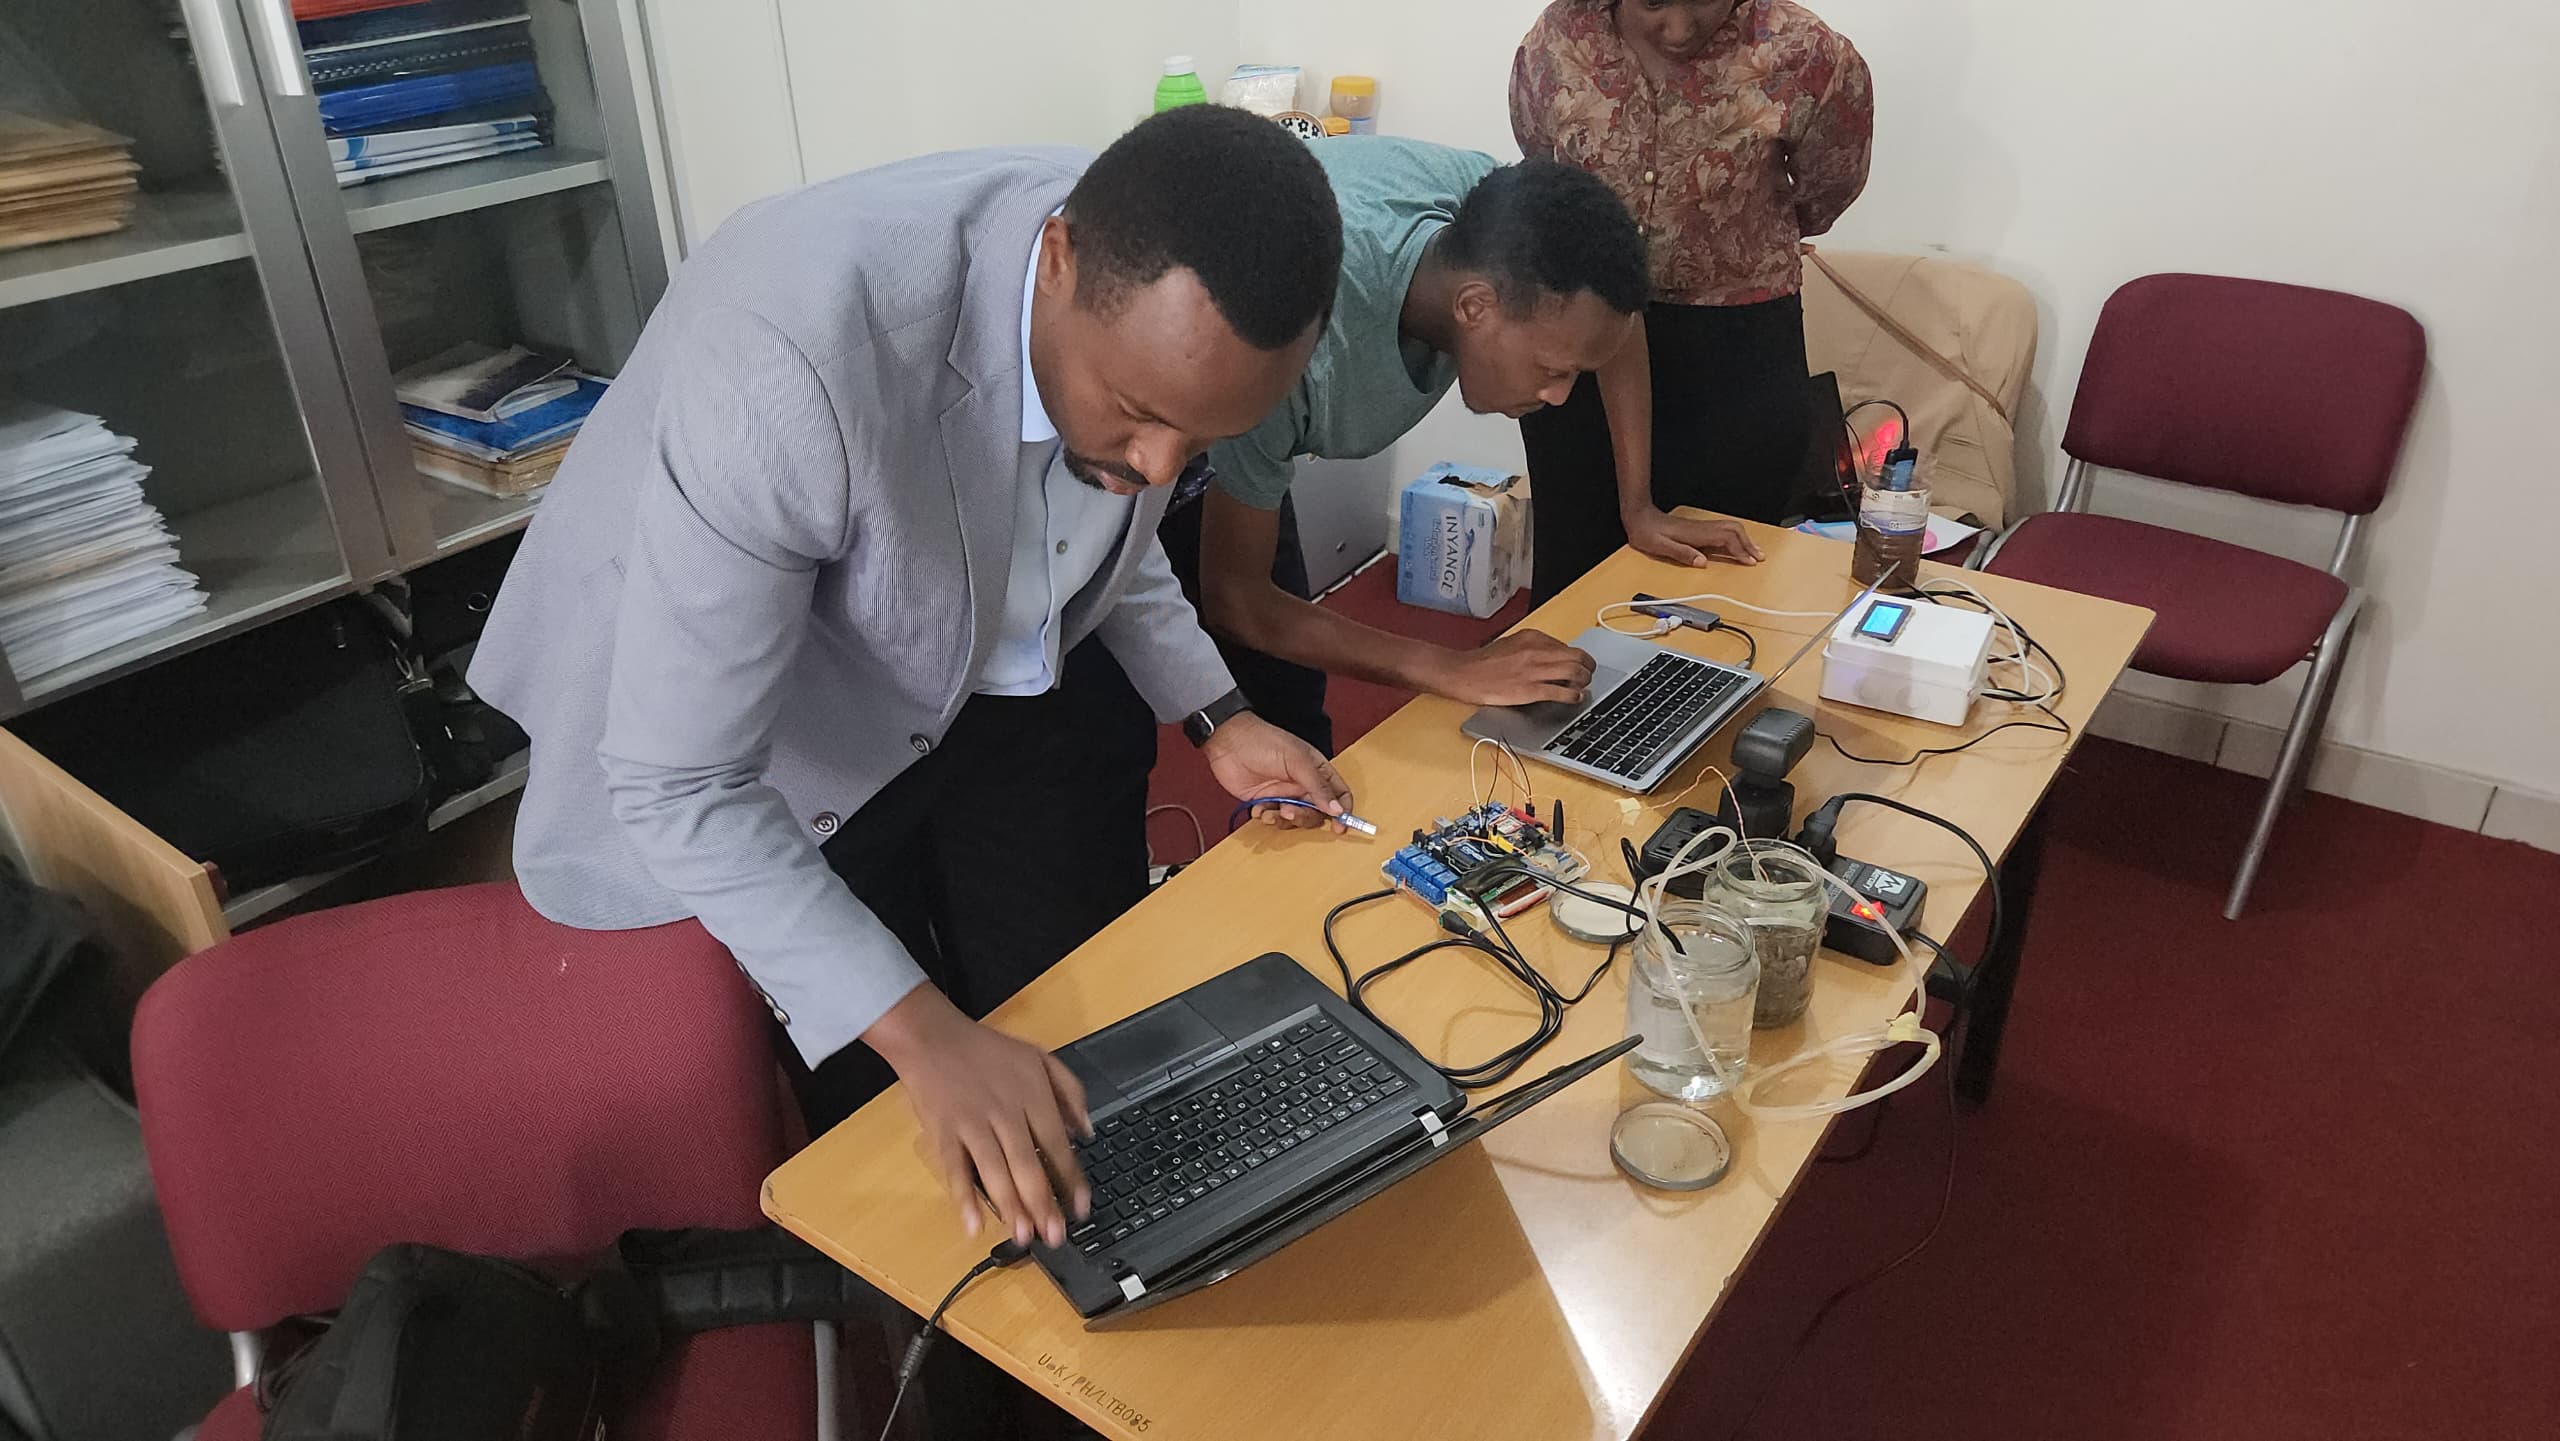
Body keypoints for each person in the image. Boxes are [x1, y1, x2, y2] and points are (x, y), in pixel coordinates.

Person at [469, 107, 1353, 1262]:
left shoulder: (1142, 309)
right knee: (897, 1101)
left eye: (1198, 444)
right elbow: (682, 779)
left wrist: (1217, 713)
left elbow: (1087, 521)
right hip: (777, 716)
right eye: (1140, 417)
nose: (1157, 473)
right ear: (1056, 260)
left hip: (978, 653)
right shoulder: (787, 357)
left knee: (1064, 996)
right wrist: (924, 1036)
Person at [1160, 138, 1762, 749]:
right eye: (1551, 370)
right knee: (1136, 723)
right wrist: (1451, 667)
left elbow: (1609, 324)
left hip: (1250, 365)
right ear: (1474, 308)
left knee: (1291, 710)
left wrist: (1639, 505)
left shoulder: (1495, 219)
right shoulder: (1286, 341)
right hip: (1160, 400)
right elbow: (1237, 598)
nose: (1559, 397)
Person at [1511, 0, 1873, 598]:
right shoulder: (1557, 40)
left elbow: (1829, 185)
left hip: (1737, 358)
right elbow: (1542, 166)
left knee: (1724, 591)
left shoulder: (1806, 51)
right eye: (1652, 2)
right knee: (1575, 578)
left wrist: (1731, 242)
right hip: (1584, 349)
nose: (1678, 30)